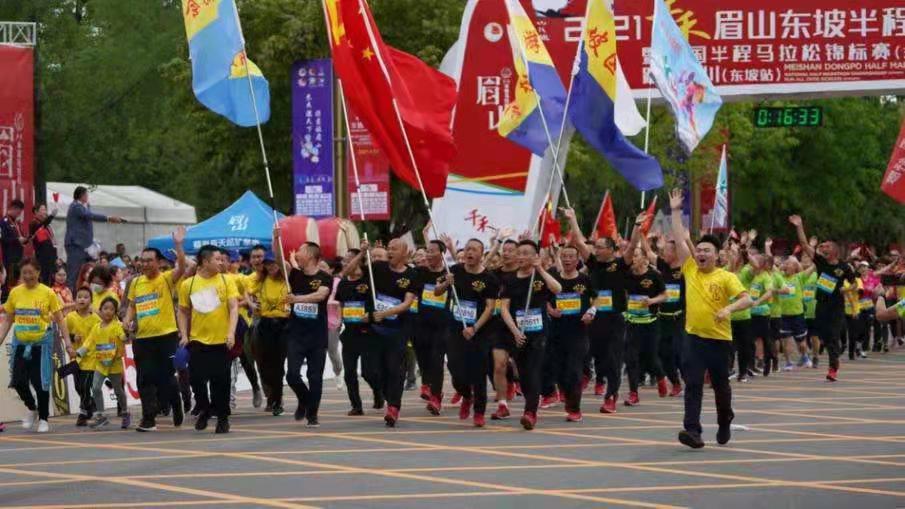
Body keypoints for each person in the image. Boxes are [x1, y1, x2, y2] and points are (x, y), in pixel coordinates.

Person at [669, 189, 752, 449]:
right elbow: (680, 240)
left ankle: (725, 420)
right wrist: (675, 211)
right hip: (693, 338)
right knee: (693, 384)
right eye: (699, 250)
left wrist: (728, 310)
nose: (701, 253)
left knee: (720, 387)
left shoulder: (726, 277)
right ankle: (692, 431)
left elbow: (747, 299)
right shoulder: (690, 269)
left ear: (716, 255)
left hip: (719, 340)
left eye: (706, 250)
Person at [563, 208, 639, 414]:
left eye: (600, 247)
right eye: (595, 247)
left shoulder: (621, 264)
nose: (595, 250)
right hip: (593, 317)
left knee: (613, 359)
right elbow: (579, 242)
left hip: (614, 319)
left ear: (612, 249)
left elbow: (632, 246)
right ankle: (590, 377)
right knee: (593, 356)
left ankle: (611, 396)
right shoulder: (593, 264)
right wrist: (572, 219)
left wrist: (637, 226)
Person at [122, 227, 186, 432]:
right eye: (142, 261)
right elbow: (132, 306)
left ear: (158, 262)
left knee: (166, 377)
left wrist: (178, 245)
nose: (145, 264)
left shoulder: (166, 278)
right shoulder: (135, 283)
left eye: (149, 260)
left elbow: (182, 266)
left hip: (166, 336)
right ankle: (149, 419)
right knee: (144, 378)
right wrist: (127, 320)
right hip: (142, 338)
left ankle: (176, 402)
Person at [347, 238, 417, 427]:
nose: (390, 251)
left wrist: (385, 313)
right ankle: (384, 394)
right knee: (370, 371)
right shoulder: (377, 268)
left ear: (404, 252)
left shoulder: (412, 274)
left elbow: (407, 303)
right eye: (389, 248)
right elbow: (348, 272)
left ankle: (393, 407)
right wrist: (362, 253)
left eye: (395, 249)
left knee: (395, 368)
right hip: (374, 328)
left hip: (398, 329)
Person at [0, 257, 73, 433]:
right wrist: (1, 338)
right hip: (20, 344)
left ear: (38, 272)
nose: (27, 276)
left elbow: (60, 320)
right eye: (24, 273)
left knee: (41, 382)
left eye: (31, 272)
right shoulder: (15, 293)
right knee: (17, 381)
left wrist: (68, 344)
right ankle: (32, 408)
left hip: (41, 344)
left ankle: (43, 419)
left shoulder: (48, 293)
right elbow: (8, 319)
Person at [434, 238, 500, 427]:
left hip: (479, 330)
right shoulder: (454, 270)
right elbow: (437, 291)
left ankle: (479, 412)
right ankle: (465, 395)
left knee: (478, 372)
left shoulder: (489, 278)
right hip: (455, 328)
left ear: (481, 254)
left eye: (474, 250)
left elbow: (489, 307)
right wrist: (446, 284)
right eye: (467, 249)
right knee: (455, 368)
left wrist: (474, 328)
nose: (469, 253)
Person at [499, 239, 563, 430]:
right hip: (518, 333)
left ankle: (530, 412)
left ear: (535, 256)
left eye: (526, 253)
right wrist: (515, 331)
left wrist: (540, 268)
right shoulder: (510, 279)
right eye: (519, 253)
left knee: (534, 371)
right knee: (524, 375)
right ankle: (531, 402)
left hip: (539, 333)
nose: (521, 257)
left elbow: (557, 289)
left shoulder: (540, 276)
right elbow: (504, 309)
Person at [177, 245, 239, 434]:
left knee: (221, 382)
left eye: (222, 259)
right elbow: (182, 311)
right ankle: (204, 408)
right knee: (196, 379)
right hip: (197, 341)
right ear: (205, 261)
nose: (221, 262)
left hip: (221, 341)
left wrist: (231, 333)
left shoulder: (226, 280)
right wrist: (184, 334)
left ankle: (222, 418)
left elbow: (233, 308)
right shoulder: (188, 284)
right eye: (217, 259)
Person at [789, 215, 856, 382]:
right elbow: (804, 244)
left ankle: (833, 368)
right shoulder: (820, 262)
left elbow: (854, 284)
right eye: (822, 245)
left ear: (834, 251)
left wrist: (846, 289)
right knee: (824, 336)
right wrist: (799, 226)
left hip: (836, 307)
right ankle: (834, 354)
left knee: (832, 337)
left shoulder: (844, 267)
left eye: (826, 246)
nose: (823, 247)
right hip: (821, 306)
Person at [278, 239, 332, 427]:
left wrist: (297, 299)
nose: (296, 254)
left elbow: (320, 295)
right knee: (292, 375)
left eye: (300, 251)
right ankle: (304, 399)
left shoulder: (325, 277)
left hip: (317, 336)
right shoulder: (295, 275)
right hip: (296, 335)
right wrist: (275, 238)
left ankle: (312, 414)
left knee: (315, 377)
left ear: (309, 255)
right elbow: (279, 259)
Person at [542, 244, 594, 421]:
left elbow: (596, 299)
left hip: (578, 332)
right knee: (559, 370)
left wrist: (590, 313)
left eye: (571, 256)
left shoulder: (585, 279)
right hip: (556, 332)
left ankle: (574, 409)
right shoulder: (554, 279)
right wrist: (550, 310)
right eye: (564, 256)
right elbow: (544, 300)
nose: (567, 259)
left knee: (574, 370)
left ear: (578, 259)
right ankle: (565, 393)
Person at [623, 243, 669, 406]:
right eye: (632, 256)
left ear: (644, 258)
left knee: (650, 357)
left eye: (636, 255)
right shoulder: (627, 275)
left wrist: (651, 301)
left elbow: (665, 296)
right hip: (632, 323)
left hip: (650, 323)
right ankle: (633, 393)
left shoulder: (654, 275)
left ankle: (661, 377)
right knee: (631, 359)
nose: (633, 259)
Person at [334, 248, 379, 415]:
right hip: (349, 334)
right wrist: (339, 320)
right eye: (344, 260)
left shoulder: (369, 279)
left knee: (368, 373)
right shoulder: (343, 283)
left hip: (368, 332)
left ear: (358, 261)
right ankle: (356, 406)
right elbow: (341, 304)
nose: (345, 263)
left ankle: (378, 391)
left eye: (348, 260)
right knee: (349, 373)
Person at [77, 297, 130, 430]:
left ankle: (125, 412)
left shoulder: (117, 326)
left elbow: (123, 337)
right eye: (105, 308)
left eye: (111, 309)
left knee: (118, 390)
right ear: (100, 310)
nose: (108, 311)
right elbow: (89, 341)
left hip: (114, 364)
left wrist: (127, 333)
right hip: (100, 364)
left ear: (115, 312)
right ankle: (101, 416)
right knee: (95, 388)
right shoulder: (96, 327)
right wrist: (80, 352)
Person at [249, 251, 290, 416]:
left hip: (283, 325)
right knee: (265, 367)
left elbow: (286, 265)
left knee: (278, 366)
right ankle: (272, 393)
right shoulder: (262, 280)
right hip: (265, 324)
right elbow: (247, 292)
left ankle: (277, 400)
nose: (271, 266)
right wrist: (252, 304)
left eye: (274, 263)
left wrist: (276, 242)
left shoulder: (287, 279)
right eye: (268, 264)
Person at [412, 240, 450, 413]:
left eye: (432, 251)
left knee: (436, 360)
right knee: (423, 358)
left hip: (442, 325)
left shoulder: (449, 274)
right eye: (427, 251)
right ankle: (426, 382)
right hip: (420, 323)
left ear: (442, 254)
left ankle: (436, 397)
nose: (428, 254)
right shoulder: (419, 272)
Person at [65, 186, 122, 290]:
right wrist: (108, 218)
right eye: (86, 194)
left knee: (88, 271)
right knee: (74, 273)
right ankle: (69, 295)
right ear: (81, 195)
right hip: (76, 245)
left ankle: (89, 292)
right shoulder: (75, 206)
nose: (87, 196)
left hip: (85, 246)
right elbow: (89, 215)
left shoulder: (85, 206)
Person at [65, 287, 101, 426]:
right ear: (75, 300)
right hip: (76, 358)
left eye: (85, 297)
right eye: (79, 296)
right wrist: (72, 337)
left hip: (91, 358)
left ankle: (83, 414)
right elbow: (64, 334)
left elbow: (101, 335)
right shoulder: (70, 317)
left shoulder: (96, 318)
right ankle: (91, 405)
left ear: (91, 300)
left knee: (85, 386)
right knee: (78, 387)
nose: (82, 299)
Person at [656, 239, 686, 397]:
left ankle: (690, 381)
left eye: (666, 250)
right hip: (663, 319)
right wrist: (641, 234)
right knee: (663, 353)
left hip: (679, 318)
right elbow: (649, 253)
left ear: (675, 252)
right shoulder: (663, 267)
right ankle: (675, 383)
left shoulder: (686, 269)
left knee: (679, 352)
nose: (663, 253)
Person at [1, 199, 27, 295]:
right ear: (13, 208)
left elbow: (20, 237)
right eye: (18, 212)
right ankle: (5, 300)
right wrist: (17, 240)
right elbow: (3, 239)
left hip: (18, 258)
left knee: (17, 282)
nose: (19, 215)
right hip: (8, 258)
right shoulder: (3, 222)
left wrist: (26, 239)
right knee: (8, 282)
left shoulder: (17, 223)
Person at [29, 204, 58, 286]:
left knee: (52, 279)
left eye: (45, 209)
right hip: (42, 257)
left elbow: (51, 241)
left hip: (50, 256)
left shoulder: (47, 225)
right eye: (43, 210)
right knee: (44, 279)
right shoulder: (34, 223)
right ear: (36, 212)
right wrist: (51, 216)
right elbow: (41, 226)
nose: (45, 212)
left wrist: (55, 256)